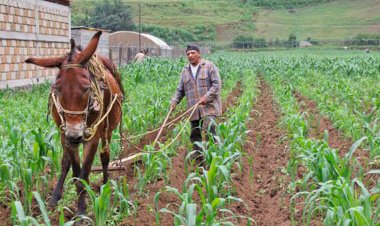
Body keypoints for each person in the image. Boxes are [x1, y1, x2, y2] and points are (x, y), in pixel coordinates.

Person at [170, 44, 222, 164]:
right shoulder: (185, 71)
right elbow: (180, 90)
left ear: (199, 53)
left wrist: (206, 97)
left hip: (208, 107)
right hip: (193, 109)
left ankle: (213, 157)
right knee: (195, 134)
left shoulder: (209, 66)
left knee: (210, 128)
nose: (190, 55)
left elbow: (216, 85)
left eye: (193, 53)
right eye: (188, 54)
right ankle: (199, 159)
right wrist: (174, 101)